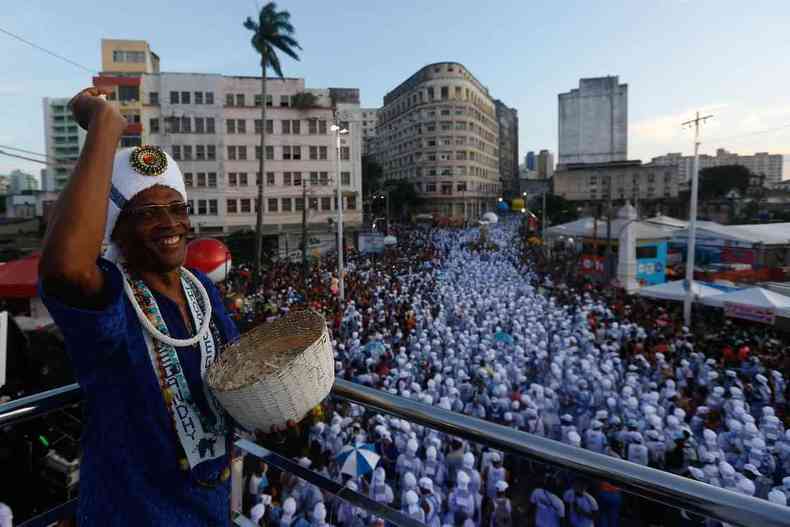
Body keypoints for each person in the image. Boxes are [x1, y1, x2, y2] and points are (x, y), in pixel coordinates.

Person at [39, 88, 241, 525]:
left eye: (176, 208)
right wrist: (104, 125)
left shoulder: (202, 289)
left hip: (210, 505)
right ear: (117, 229)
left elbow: (238, 373)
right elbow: (65, 268)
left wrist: (271, 411)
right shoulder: (111, 300)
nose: (169, 223)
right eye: (147, 213)